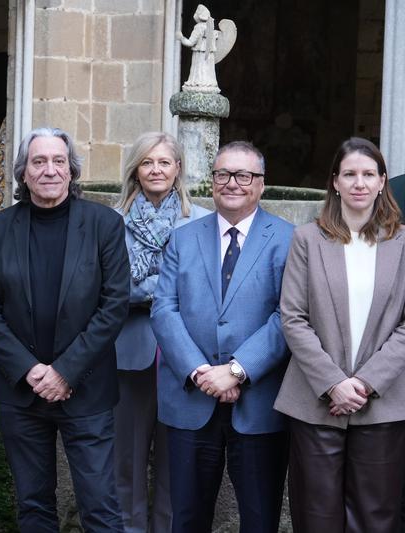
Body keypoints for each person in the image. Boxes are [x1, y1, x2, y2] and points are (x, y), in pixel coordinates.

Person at [0, 127, 130, 532]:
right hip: (21, 393)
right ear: (23, 173)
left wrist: (64, 371)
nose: (50, 170)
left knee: (100, 507)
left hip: (86, 390)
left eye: (59, 161)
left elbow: (113, 306)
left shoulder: (104, 224)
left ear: (72, 171)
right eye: (39, 162)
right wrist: (29, 369)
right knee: (34, 506)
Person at [150, 141, 294, 533]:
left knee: (260, 519)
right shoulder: (183, 238)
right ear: (211, 181)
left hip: (260, 403)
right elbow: (164, 309)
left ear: (261, 184)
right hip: (191, 400)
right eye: (222, 174)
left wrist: (237, 370)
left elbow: (290, 316)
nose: (232, 183)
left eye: (244, 175)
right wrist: (201, 372)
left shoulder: (289, 239)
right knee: (188, 518)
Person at [274, 137, 405, 532]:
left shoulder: (402, 242)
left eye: (368, 174)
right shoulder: (307, 240)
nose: (359, 183)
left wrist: (365, 382)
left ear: (383, 182)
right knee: (316, 518)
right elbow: (292, 317)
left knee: (375, 517)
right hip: (316, 401)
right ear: (335, 182)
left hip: (382, 402)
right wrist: (334, 383)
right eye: (350, 174)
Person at [113, 132, 210, 533]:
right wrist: (169, 288)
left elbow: (203, 289)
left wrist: (153, 289)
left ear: (178, 169)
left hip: (184, 356)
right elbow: (114, 287)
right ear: (136, 169)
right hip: (130, 351)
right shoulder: (113, 221)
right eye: (147, 162)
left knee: (177, 462)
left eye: (164, 162)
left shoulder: (201, 220)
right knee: (126, 460)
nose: (156, 170)